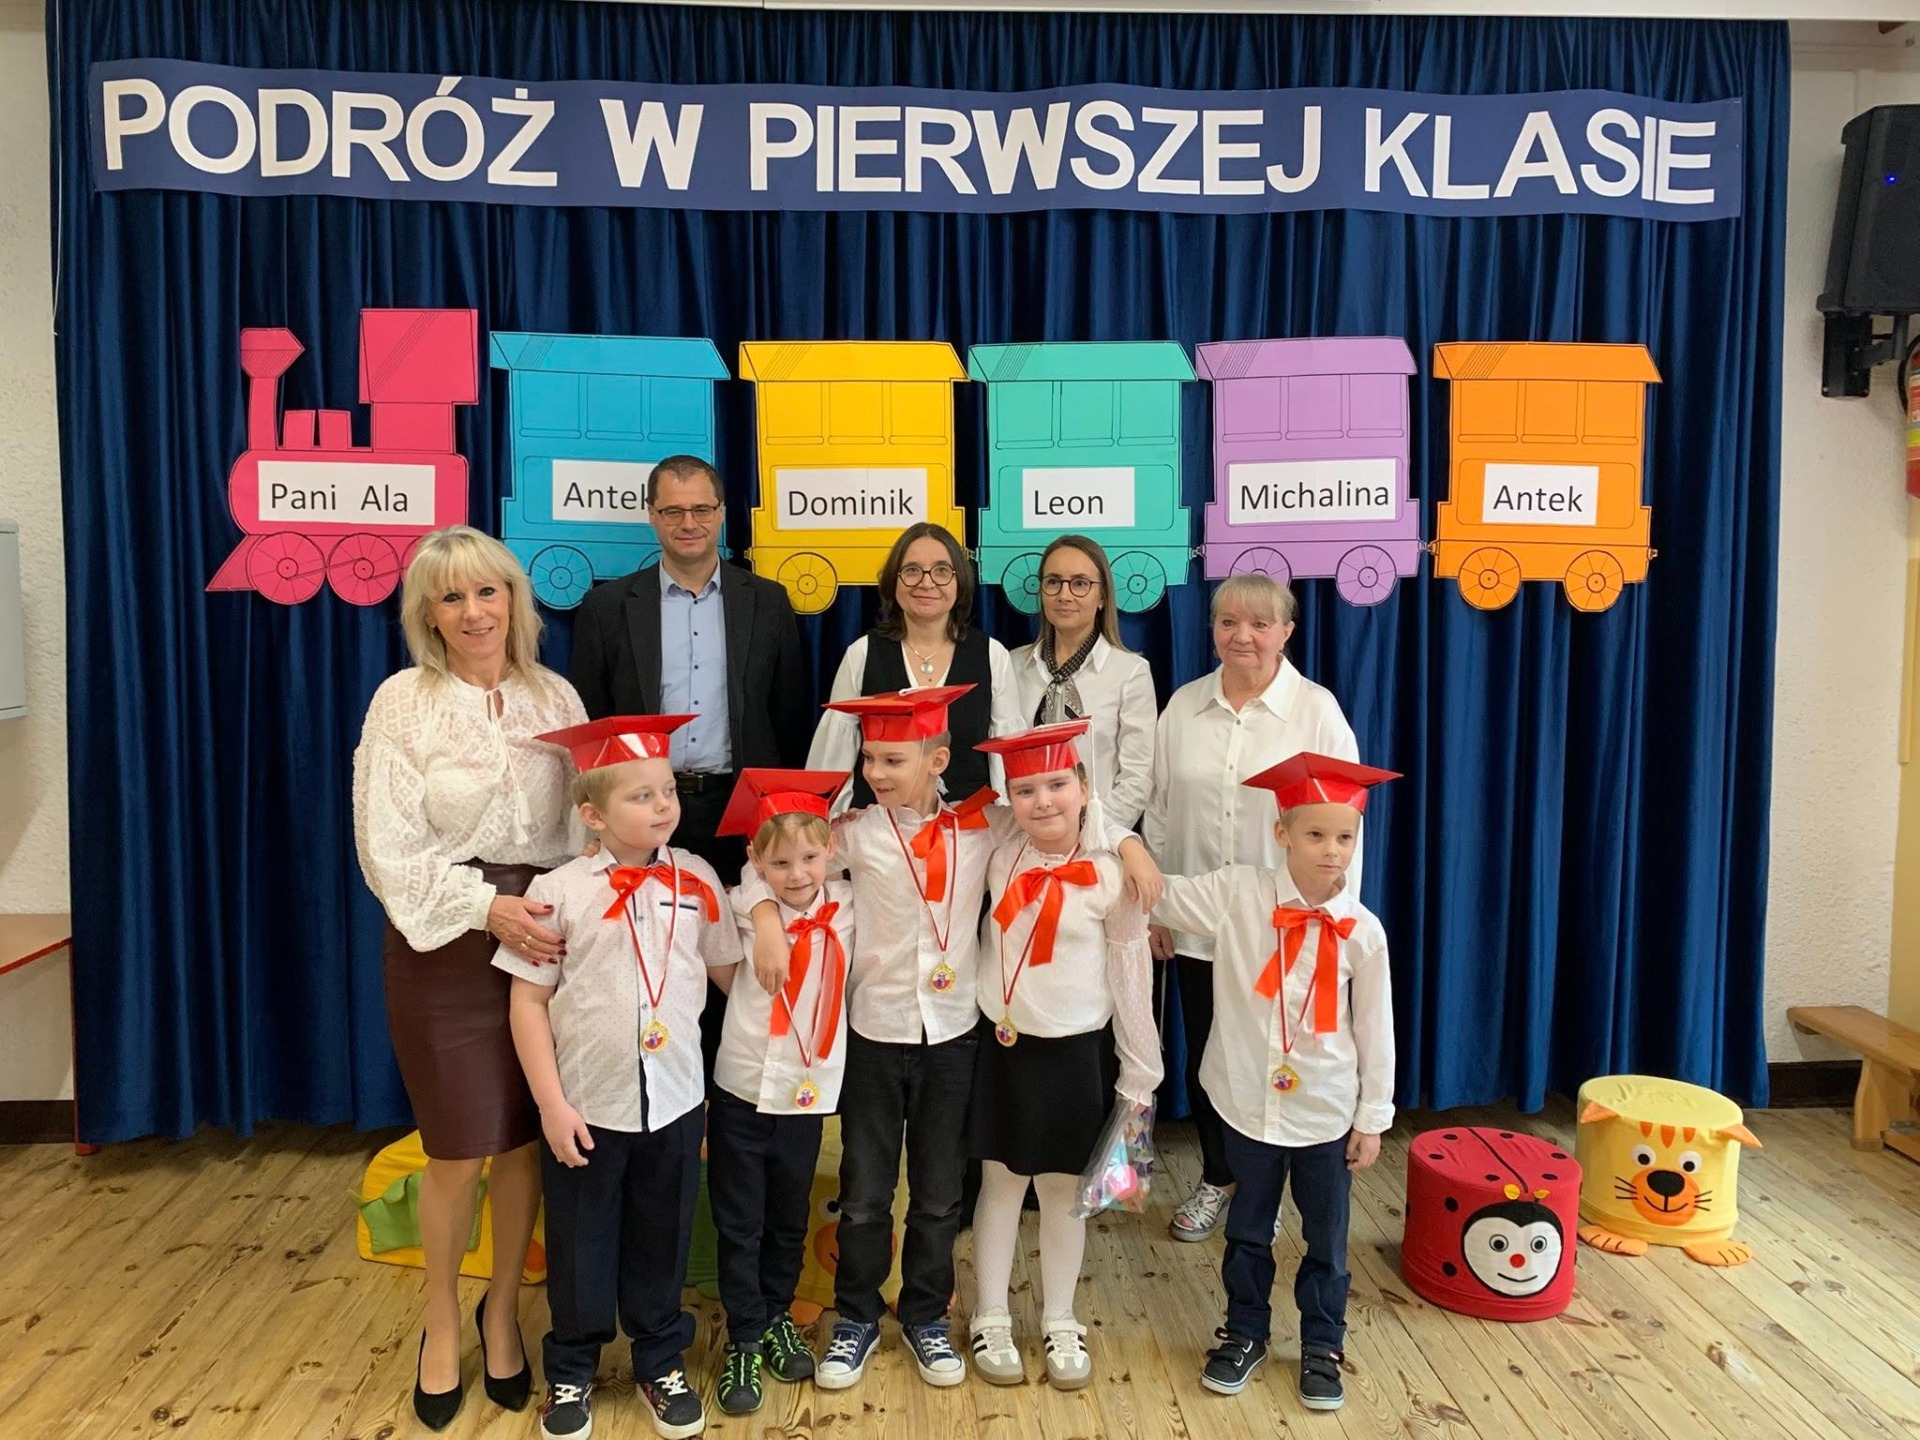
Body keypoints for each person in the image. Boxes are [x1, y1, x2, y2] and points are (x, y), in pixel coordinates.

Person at [742, 687, 1161, 1393]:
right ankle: (856, 1317)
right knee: (866, 1193)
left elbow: (1067, 813)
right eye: (869, 758)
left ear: (937, 761)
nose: (876, 772)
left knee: (940, 1193)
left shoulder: (987, 828)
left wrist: (1128, 842)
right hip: (875, 1034)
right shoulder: (854, 833)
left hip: (956, 1038)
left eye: (893, 759)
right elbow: (776, 855)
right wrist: (760, 915)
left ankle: (927, 1315)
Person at [352, 525, 584, 1431]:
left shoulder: (555, 695)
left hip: (546, 938)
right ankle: (442, 1318)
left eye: (489, 591)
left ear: (514, 601)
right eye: (452, 597)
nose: (474, 611)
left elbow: (583, 824)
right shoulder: (401, 704)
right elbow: (387, 846)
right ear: (429, 614)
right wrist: (488, 908)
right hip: (443, 941)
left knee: (523, 1142)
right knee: (455, 1149)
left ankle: (501, 1311)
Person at [496, 715, 740, 1440]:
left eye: (668, 790)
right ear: (593, 815)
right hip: (586, 1108)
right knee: (580, 1242)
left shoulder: (697, 879)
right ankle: (572, 1369)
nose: (664, 805)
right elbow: (527, 1002)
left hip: (675, 1103)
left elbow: (732, 976)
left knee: (662, 1238)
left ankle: (660, 1359)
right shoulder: (558, 891)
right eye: (641, 795)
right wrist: (550, 1105)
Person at [1148, 752, 1397, 1412]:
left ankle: (1323, 1343)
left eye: (1345, 836)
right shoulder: (1239, 893)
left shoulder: (1363, 931)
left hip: (1325, 1112)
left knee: (1327, 1239)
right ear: (1281, 833)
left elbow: (1376, 1030)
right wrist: (1111, 841)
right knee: (1247, 1231)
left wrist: (1372, 1116)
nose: (1332, 850)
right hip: (1247, 1105)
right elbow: (1159, 892)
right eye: (1315, 834)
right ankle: (1245, 1332)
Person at [569, 454, 813, 1079]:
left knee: (742, 961)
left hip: (742, 812)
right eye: (673, 510)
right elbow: (592, 717)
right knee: (654, 959)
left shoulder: (768, 602)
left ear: (722, 513)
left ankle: (734, 1098)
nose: (688, 523)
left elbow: (789, 717)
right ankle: (664, 1095)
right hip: (644, 814)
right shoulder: (607, 607)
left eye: (702, 509)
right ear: (651, 516)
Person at [1143, 574, 1359, 1244]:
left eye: (1260, 624)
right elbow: (1159, 812)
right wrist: (1157, 909)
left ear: (1286, 632)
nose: (1243, 636)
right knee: (1211, 1058)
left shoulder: (1316, 712)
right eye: (1228, 621)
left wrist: (1335, 918)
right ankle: (1218, 1177)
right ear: (1212, 629)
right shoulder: (1183, 707)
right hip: (1200, 924)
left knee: (1274, 1056)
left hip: (1284, 929)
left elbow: (1346, 820)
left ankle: (1268, 1189)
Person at [965, 721, 1163, 1391]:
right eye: (1024, 790)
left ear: (1084, 787)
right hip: (1003, 1049)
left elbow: (1132, 978)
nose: (1042, 801)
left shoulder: (1111, 876)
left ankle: (1059, 1317)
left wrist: (1141, 1073)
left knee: (1062, 1193)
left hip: (1075, 1055)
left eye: (1057, 784)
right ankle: (991, 1314)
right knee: (999, 1185)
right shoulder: (1002, 849)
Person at [706, 769, 856, 1417]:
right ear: (756, 860)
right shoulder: (742, 906)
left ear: (830, 852)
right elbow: (740, 903)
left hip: (807, 1092)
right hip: (742, 1087)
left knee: (789, 1216)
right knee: (740, 1219)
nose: (797, 874)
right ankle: (742, 1336)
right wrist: (766, 916)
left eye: (810, 858)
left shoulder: (848, 905)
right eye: (779, 863)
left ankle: (774, 1317)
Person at [806, 523, 1025, 807]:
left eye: (942, 570)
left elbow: (1006, 760)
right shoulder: (862, 654)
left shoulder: (992, 655)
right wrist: (828, 821)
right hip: (879, 824)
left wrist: (1007, 821)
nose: (926, 583)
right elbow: (833, 762)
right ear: (893, 581)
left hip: (971, 825)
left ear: (960, 581)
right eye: (912, 570)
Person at [1007, 536, 1157, 832]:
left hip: (1097, 839)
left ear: (1102, 597)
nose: (1064, 595)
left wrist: (1089, 833)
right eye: (1053, 582)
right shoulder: (1011, 665)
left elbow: (1138, 777)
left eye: (1080, 583)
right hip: (1023, 836)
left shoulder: (1130, 673)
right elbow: (1001, 764)